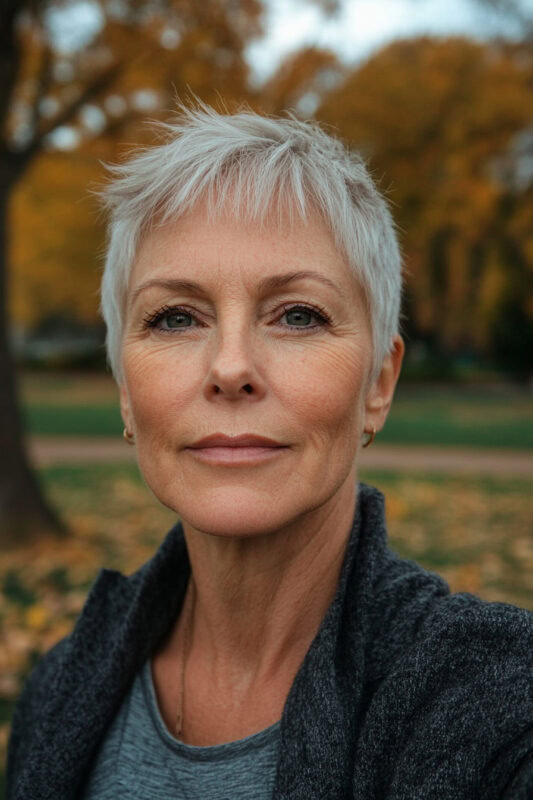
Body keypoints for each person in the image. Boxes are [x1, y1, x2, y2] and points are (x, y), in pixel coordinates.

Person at [6, 105, 533, 800]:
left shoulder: (500, 701)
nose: (230, 367)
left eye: (297, 315)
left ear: (378, 383)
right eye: (175, 317)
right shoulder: (58, 688)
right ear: (127, 395)